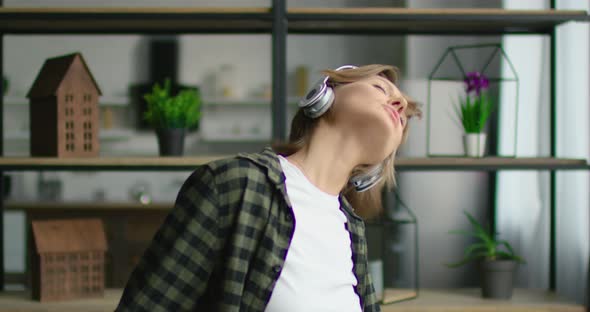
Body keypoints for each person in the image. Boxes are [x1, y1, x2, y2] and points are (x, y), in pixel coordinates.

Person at [116, 64, 421, 311]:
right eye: (381, 88)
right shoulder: (234, 185)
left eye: (404, 114)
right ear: (323, 96)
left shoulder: (352, 230)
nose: (400, 104)